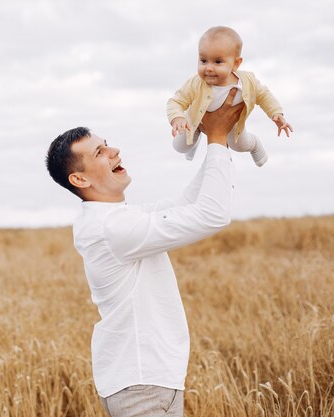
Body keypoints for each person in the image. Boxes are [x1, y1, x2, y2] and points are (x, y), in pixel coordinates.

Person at [45, 89, 244, 416]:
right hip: (141, 387)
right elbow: (212, 214)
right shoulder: (113, 228)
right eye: (100, 152)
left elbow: (187, 203)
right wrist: (218, 138)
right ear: (79, 178)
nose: (114, 150)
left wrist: (217, 140)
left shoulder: (113, 219)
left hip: (146, 381)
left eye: (106, 142)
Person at [167, 26, 293, 167]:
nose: (208, 68)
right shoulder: (196, 83)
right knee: (180, 147)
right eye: (203, 61)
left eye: (218, 62)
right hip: (194, 120)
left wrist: (276, 113)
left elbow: (264, 95)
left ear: (236, 64)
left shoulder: (247, 82)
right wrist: (177, 117)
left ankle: (255, 144)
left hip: (232, 124)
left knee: (239, 145)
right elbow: (176, 101)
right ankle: (195, 138)